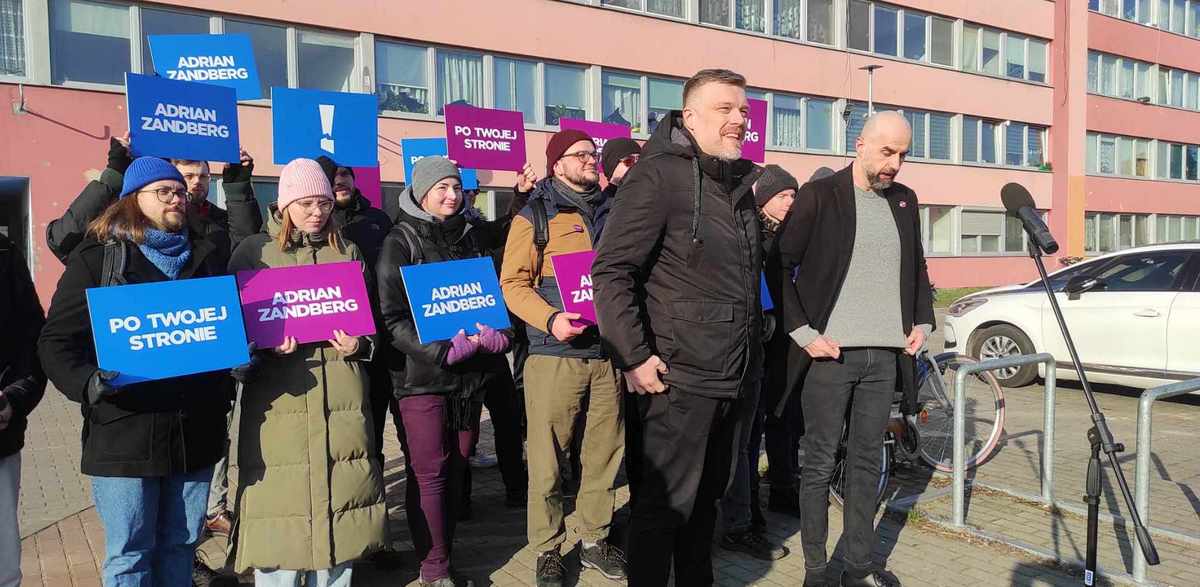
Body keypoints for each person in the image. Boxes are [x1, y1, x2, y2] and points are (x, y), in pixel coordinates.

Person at [592, 68, 764, 586]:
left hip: (732, 376)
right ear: (689, 115)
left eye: (743, 111)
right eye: (724, 109)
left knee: (705, 505)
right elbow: (612, 270)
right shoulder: (659, 174)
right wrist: (635, 356)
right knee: (662, 510)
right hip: (676, 377)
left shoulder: (739, 183)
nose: (738, 120)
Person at [38, 157, 235, 586]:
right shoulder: (97, 259)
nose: (177, 199)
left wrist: (235, 364)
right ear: (133, 199)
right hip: (125, 433)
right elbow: (55, 342)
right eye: (165, 191)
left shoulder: (206, 256)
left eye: (180, 191)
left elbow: (222, 331)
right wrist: (88, 384)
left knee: (181, 544)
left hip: (194, 434)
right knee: (130, 553)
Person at [773, 111, 933, 587]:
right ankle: (817, 571)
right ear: (860, 144)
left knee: (867, 464)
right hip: (831, 357)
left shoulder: (905, 201)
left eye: (903, 155)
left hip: (885, 357)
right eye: (887, 152)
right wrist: (803, 332)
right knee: (820, 463)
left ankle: (858, 566)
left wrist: (922, 318)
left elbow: (917, 266)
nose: (895, 165)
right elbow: (778, 266)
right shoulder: (820, 196)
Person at [226, 158, 385, 586]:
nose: (318, 212)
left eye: (324, 203)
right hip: (282, 406)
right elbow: (232, 336)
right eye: (307, 204)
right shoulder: (254, 253)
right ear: (285, 203)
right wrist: (261, 345)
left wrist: (360, 345)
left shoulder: (346, 249)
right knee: (281, 531)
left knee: (340, 534)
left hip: (342, 404)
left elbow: (370, 326)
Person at [377, 156, 513, 587]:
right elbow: (391, 317)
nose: (452, 196)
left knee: (458, 466)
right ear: (421, 192)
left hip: (469, 379)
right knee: (430, 470)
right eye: (442, 188)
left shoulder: (471, 237)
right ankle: (433, 567)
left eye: (456, 188)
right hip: (421, 379)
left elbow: (489, 297)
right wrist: (437, 351)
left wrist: (500, 334)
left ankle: (445, 552)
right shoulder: (400, 241)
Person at [500, 129, 627, 587]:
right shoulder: (535, 215)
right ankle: (549, 548)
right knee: (549, 459)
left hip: (609, 354)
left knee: (604, 455)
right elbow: (512, 285)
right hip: (556, 356)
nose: (591, 159)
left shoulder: (619, 210)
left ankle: (594, 538)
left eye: (593, 154)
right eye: (581, 155)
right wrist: (551, 319)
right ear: (558, 165)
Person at [717, 164, 799, 561]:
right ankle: (740, 521)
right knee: (743, 441)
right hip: (738, 346)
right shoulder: (746, 233)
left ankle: (748, 516)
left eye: (793, 196)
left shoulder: (789, 237)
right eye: (784, 195)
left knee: (760, 434)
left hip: (772, 346)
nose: (791, 202)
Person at [46, 135, 262, 268]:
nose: (196, 183)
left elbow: (245, 254)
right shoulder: (127, 226)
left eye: (203, 176)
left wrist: (237, 187)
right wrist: (113, 176)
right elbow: (63, 242)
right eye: (187, 178)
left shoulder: (215, 224)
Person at [0, 232, 46, 587]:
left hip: (0, 437)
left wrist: (14, 399)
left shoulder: (3, 253)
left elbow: (32, 342)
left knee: (3, 566)